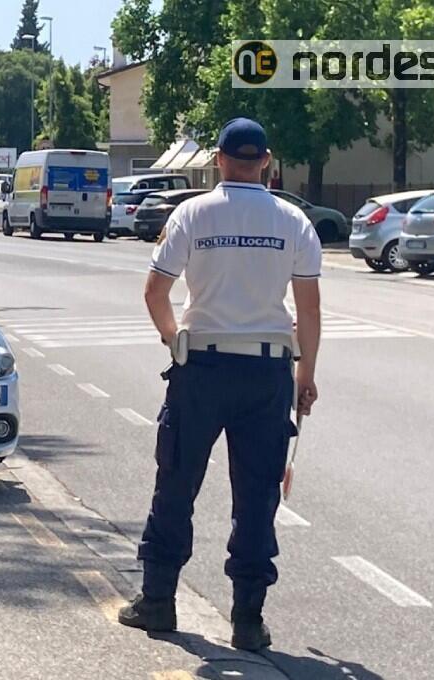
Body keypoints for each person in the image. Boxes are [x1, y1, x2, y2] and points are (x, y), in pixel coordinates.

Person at [117, 118, 322, 652]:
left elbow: (156, 292)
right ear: (267, 162)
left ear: (219, 160)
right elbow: (310, 311)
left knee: (177, 481)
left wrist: (172, 340)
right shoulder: (294, 221)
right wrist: (306, 377)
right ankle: (248, 621)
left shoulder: (192, 213)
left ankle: (158, 601)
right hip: (265, 374)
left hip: (201, 370)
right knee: (256, 496)